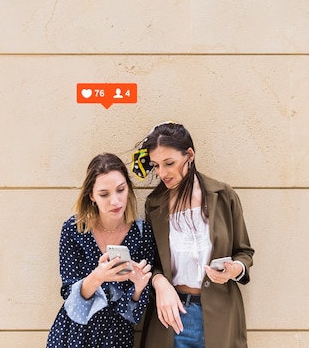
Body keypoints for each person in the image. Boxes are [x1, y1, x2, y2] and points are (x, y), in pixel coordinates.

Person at [133, 122, 254, 348]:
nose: (162, 173)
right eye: (156, 165)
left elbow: (244, 252)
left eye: (169, 163)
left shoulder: (223, 195)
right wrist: (160, 283)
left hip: (220, 316)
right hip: (171, 316)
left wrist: (234, 270)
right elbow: (149, 262)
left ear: (189, 155)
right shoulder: (155, 205)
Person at [47, 153, 156, 348]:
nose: (115, 201)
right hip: (74, 333)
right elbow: (69, 292)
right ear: (92, 195)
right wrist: (98, 276)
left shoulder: (142, 233)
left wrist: (139, 286)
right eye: (104, 194)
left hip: (116, 336)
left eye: (120, 190)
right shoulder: (74, 230)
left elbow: (133, 313)